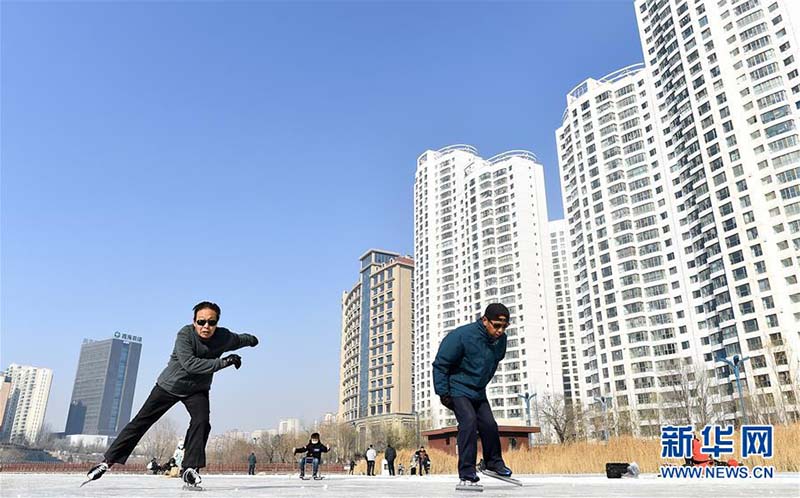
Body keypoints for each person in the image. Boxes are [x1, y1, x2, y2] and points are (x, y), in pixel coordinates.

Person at [84, 301, 259, 488]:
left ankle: (190, 469)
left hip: (197, 390)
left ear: (217, 323)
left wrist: (253, 340)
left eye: (211, 322)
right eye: (201, 322)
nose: (206, 326)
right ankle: (107, 462)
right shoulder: (185, 335)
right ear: (194, 322)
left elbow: (240, 339)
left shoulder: (223, 336)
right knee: (142, 421)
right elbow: (190, 364)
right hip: (169, 386)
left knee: (201, 422)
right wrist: (224, 362)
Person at [433, 303, 514, 485]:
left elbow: (493, 361)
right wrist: (443, 393)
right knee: (468, 422)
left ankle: (493, 463)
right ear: (485, 320)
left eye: (504, 327)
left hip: (478, 390)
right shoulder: (462, 336)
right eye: (497, 325)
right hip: (458, 387)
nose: (500, 331)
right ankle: (467, 472)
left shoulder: (501, 341)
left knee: (490, 425)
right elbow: (440, 364)